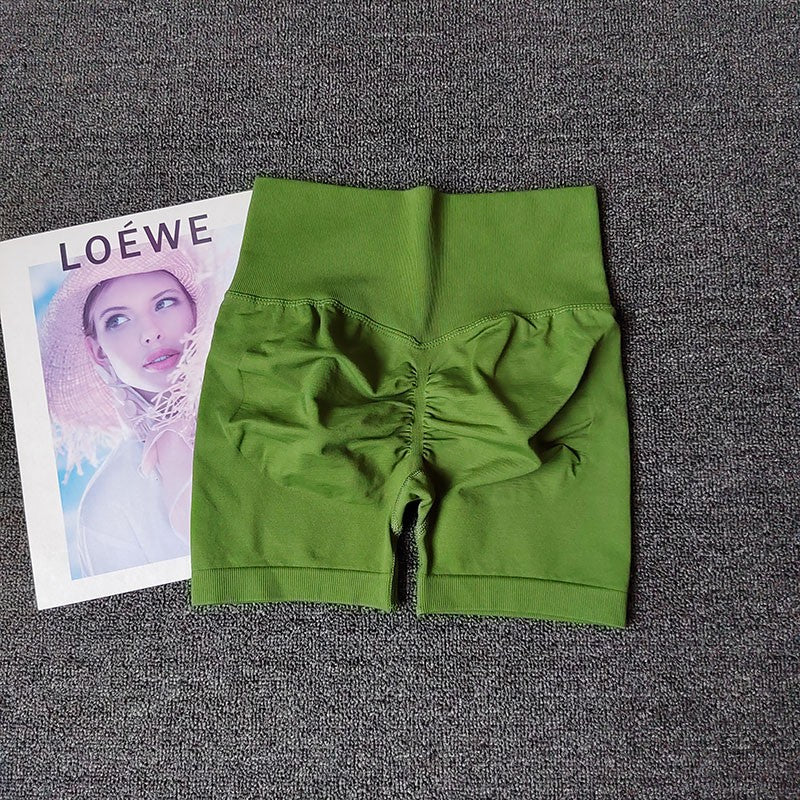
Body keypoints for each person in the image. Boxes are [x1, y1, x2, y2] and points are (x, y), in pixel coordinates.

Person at [38, 248, 212, 577]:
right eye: (117, 320)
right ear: (98, 351)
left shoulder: (267, 401)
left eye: (165, 303)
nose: (150, 333)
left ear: (194, 308)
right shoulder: (107, 506)